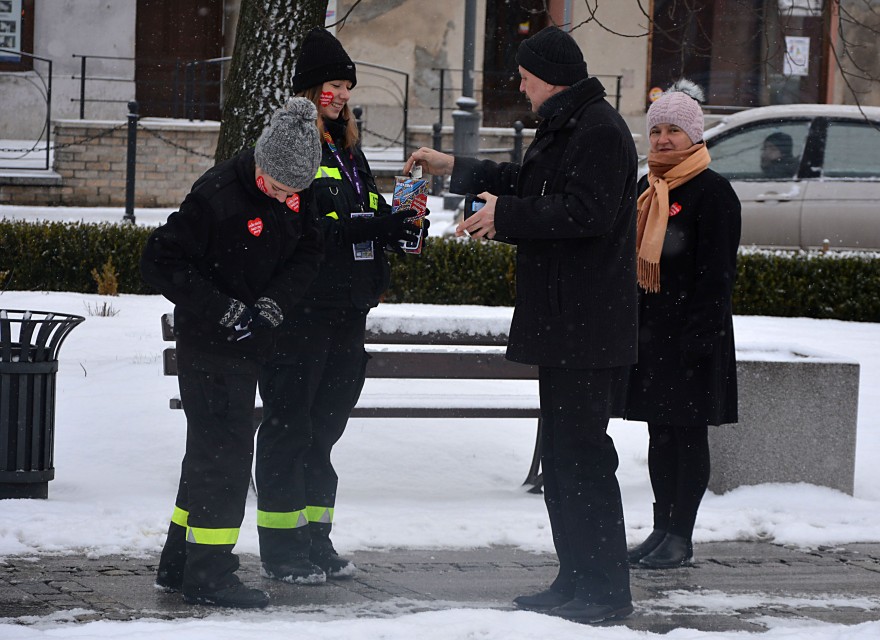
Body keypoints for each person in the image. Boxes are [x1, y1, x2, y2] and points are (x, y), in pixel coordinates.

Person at [404, 26, 637, 624]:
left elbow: (585, 212)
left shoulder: (600, 131)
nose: (521, 85)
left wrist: (505, 216)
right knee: (560, 459)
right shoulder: (569, 124)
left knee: (583, 456)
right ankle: (574, 576)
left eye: (526, 75)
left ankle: (605, 590)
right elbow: (526, 183)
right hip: (565, 322)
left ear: (551, 75)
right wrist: (454, 166)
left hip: (588, 326)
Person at [253, 27, 423, 585]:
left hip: (348, 310)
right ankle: (281, 549)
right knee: (290, 428)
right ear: (308, 89)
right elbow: (297, 222)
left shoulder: (348, 146)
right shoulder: (290, 142)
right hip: (302, 311)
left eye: (347, 86)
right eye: (332, 85)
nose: (342, 96)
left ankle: (315, 540)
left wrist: (397, 221)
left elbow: (366, 206)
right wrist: (368, 222)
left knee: (323, 433)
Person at [142, 97, 324, 608]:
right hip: (209, 344)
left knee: (208, 452)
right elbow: (159, 262)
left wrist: (272, 303)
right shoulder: (217, 195)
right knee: (224, 455)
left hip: (252, 342)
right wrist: (221, 308)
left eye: (294, 191)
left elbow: (310, 252)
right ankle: (211, 575)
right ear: (260, 163)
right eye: (277, 186)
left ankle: (180, 564)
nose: (285, 196)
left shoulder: (299, 194)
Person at [617, 80, 741, 570]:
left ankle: (681, 536)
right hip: (651, 335)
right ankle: (660, 528)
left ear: (696, 136)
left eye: (674, 131)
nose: (663, 139)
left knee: (687, 436)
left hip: (693, 338)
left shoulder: (713, 192)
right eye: (656, 131)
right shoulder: (648, 188)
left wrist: (698, 336)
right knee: (658, 436)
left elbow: (718, 275)